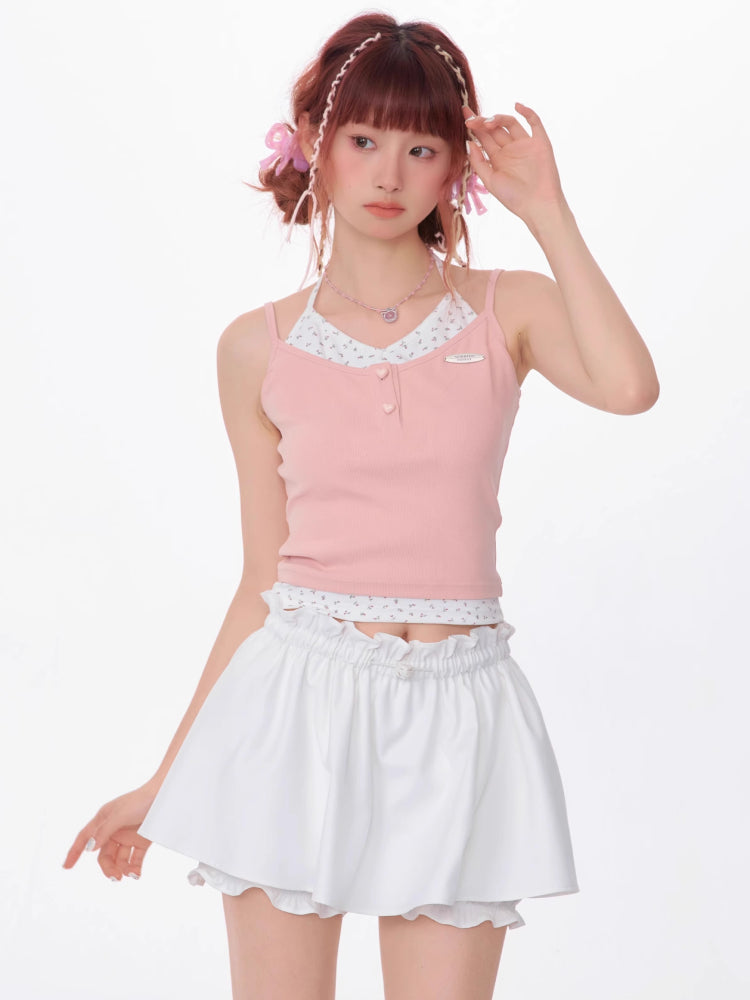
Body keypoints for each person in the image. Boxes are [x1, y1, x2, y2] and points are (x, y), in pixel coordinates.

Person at [62, 12, 659, 999]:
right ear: (316, 143)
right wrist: (165, 781)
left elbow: (630, 387)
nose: (389, 174)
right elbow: (261, 581)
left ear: (455, 165)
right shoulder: (255, 347)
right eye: (365, 139)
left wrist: (547, 210)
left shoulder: (505, 308)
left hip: (462, 713)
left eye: (421, 147)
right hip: (293, 711)